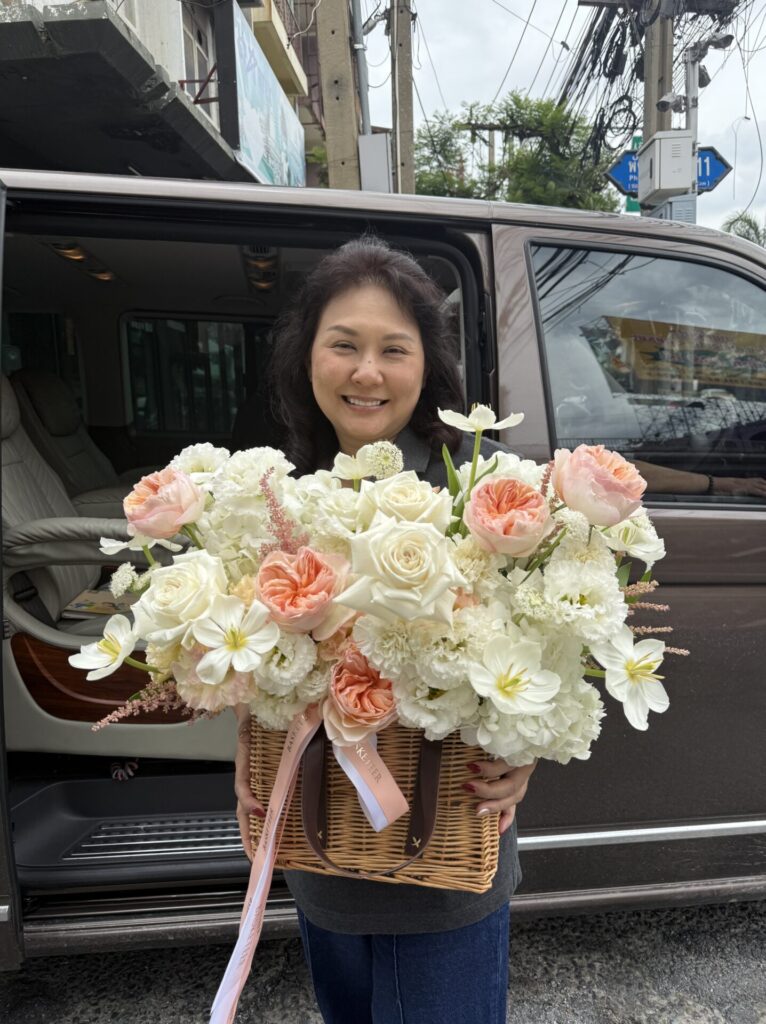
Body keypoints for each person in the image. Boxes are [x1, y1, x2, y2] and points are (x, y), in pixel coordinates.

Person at [234, 236, 535, 1024]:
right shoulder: (280, 496)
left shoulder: (485, 491)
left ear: (425, 368)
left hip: (444, 852)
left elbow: (546, 654)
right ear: (308, 359)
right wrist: (246, 743)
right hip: (323, 848)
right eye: (344, 345)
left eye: (392, 350)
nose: (366, 372)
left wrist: (525, 747)